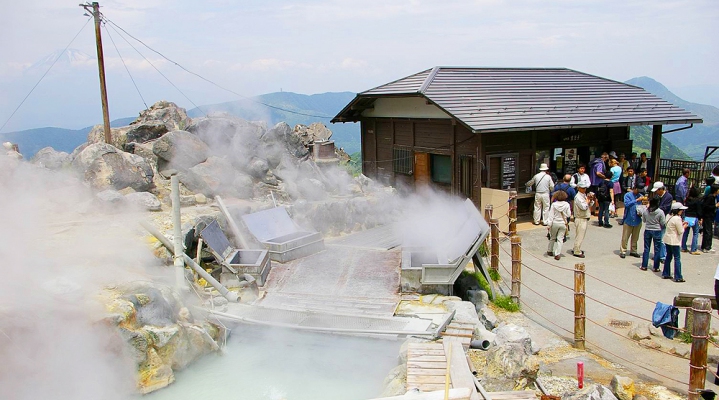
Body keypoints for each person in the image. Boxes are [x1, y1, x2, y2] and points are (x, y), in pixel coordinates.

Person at [662, 202, 688, 282]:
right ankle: (678, 277)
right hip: (674, 240)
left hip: (667, 239)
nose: (682, 211)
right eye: (681, 210)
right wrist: (684, 226)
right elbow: (680, 231)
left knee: (668, 256)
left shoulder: (669, 216)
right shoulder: (677, 218)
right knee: (677, 258)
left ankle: (666, 273)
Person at [639, 197, 666, 272]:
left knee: (646, 248)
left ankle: (644, 265)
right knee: (657, 249)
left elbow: (644, 220)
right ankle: (656, 267)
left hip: (648, 230)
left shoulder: (646, 211)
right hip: (657, 230)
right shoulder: (660, 212)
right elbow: (663, 223)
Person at [620, 184, 646, 258]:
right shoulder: (628, 195)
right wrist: (636, 200)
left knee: (635, 237)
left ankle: (633, 251)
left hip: (638, 219)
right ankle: (623, 250)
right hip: (629, 219)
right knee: (625, 237)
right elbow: (627, 204)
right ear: (634, 188)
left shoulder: (641, 195)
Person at [546, 191, 571, 260]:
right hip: (563, 223)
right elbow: (569, 214)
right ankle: (557, 254)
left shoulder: (554, 205)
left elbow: (551, 216)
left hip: (555, 223)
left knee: (552, 237)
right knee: (560, 239)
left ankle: (549, 250)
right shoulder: (567, 204)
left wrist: (549, 225)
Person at [652, 181, 673, 262]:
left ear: (661, 189)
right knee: (657, 238)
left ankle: (662, 256)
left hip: (664, 219)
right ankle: (657, 254)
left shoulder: (668, 197)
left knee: (662, 239)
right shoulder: (658, 196)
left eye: (657, 190)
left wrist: (655, 209)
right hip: (656, 220)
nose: (656, 192)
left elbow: (665, 207)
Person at [572, 180, 594, 258]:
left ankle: (576, 247)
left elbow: (590, 204)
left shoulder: (584, 195)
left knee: (580, 235)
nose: (584, 189)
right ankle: (577, 251)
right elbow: (584, 207)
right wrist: (587, 200)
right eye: (582, 188)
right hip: (580, 218)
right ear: (578, 188)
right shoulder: (578, 197)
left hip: (584, 217)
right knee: (580, 235)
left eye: (585, 188)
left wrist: (590, 199)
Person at [681, 187, 702, 255]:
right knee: (695, 233)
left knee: (685, 233)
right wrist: (700, 218)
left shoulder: (687, 199)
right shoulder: (697, 200)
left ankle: (683, 247)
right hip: (694, 217)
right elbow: (699, 210)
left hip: (687, 217)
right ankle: (693, 249)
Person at [701, 184, 719, 253]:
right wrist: (715, 206)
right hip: (707, 216)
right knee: (708, 232)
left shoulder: (714, 197)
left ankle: (706, 246)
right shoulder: (710, 197)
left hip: (710, 216)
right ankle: (706, 247)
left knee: (708, 231)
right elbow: (706, 207)